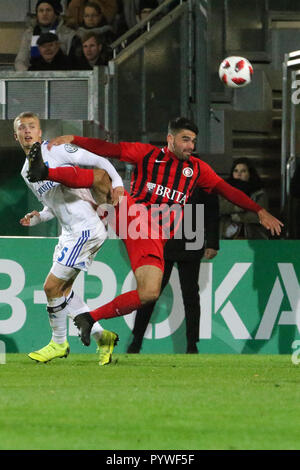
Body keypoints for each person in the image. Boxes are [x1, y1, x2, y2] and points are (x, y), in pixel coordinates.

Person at [26, 116, 283, 348]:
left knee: (148, 293)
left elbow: (227, 190)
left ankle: (88, 318)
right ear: (170, 139)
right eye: (185, 139)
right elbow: (109, 149)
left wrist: (258, 210)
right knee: (102, 178)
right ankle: (45, 172)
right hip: (133, 215)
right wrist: (75, 139)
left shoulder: (197, 169)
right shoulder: (147, 154)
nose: (190, 146)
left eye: (193, 141)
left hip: (155, 237)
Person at [14, 111, 124, 365]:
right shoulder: (25, 171)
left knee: (51, 288)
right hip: (68, 233)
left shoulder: (56, 150)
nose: (27, 131)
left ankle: (59, 343)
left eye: (32, 126)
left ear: (40, 132)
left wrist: (117, 183)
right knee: (66, 291)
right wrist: (39, 217)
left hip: (85, 229)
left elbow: (99, 161)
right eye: (22, 128)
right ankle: (102, 337)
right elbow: (52, 205)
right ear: (16, 135)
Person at [127, 186, 219, 354]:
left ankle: (192, 344)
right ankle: (137, 339)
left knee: (190, 295)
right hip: (165, 240)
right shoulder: (164, 171)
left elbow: (212, 209)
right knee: (151, 293)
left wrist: (213, 242)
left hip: (190, 240)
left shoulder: (200, 174)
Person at [15, 0, 76, 71]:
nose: (44, 14)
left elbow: (73, 61)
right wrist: (31, 76)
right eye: (41, 10)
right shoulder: (28, 34)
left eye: (48, 10)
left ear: (55, 13)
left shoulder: (68, 34)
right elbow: (20, 61)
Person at [219, 157, 269, 239]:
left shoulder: (259, 192)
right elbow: (219, 207)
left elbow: (261, 216)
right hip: (227, 236)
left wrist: (239, 217)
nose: (239, 174)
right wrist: (239, 207)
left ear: (250, 173)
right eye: (236, 171)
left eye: (243, 171)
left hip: (253, 237)